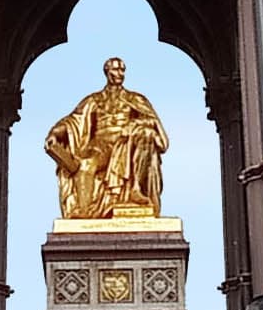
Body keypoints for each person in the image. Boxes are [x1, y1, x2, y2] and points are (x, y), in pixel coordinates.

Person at [43, 56, 169, 219]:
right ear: (107, 72)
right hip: (100, 146)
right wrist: (54, 133)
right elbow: (72, 120)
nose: (120, 73)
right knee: (86, 165)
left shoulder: (135, 99)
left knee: (146, 135)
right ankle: (83, 211)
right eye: (116, 69)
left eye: (122, 69)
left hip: (126, 144)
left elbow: (152, 121)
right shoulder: (94, 100)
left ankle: (136, 189)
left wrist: (135, 125)